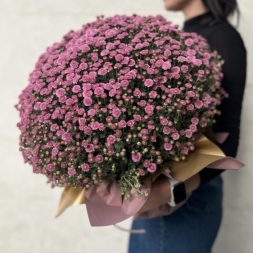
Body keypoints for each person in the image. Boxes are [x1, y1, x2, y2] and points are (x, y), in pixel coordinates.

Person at [128, 0, 247, 252]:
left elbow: (228, 140)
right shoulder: (179, 35)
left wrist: (167, 191)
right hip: (156, 194)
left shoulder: (222, 36)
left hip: (186, 196)